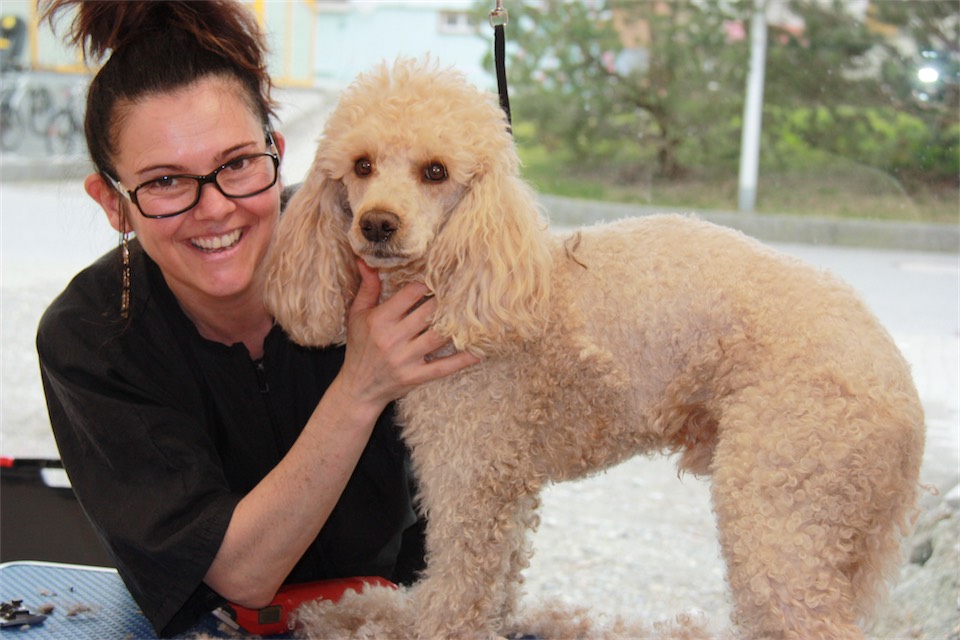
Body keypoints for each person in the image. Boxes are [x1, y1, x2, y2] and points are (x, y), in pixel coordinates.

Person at [35, 1, 478, 636]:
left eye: (238, 163)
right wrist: (362, 384)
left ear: (277, 152)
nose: (214, 209)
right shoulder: (90, 339)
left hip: (404, 614)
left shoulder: (375, 246)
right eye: (165, 181)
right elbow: (241, 573)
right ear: (113, 203)